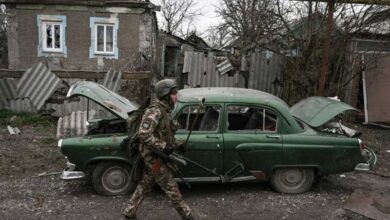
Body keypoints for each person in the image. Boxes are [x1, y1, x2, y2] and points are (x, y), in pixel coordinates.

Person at [123, 79, 192, 220]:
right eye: (173, 94)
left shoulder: (164, 110)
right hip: (154, 156)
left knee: (146, 183)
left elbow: (163, 135)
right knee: (171, 187)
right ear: (166, 95)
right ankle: (188, 215)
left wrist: (177, 144)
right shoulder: (155, 111)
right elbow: (144, 134)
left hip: (157, 155)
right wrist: (164, 146)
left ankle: (130, 212)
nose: (176, 96)